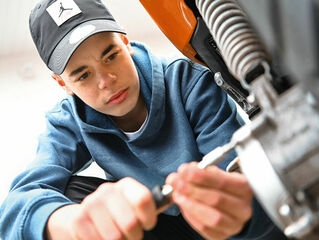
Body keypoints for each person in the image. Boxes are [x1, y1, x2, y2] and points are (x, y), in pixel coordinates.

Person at [0, 0, 288, 239]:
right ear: (62, 84)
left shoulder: (189, 82)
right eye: (83, 75)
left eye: (110, 55)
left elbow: (242, 178)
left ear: (125, 43)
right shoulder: (67, 120)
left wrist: (238, 211)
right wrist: (72, 225)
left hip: (225, 229)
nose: (106, 81)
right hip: (157, 228)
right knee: (64, 196)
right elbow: (15, 207)